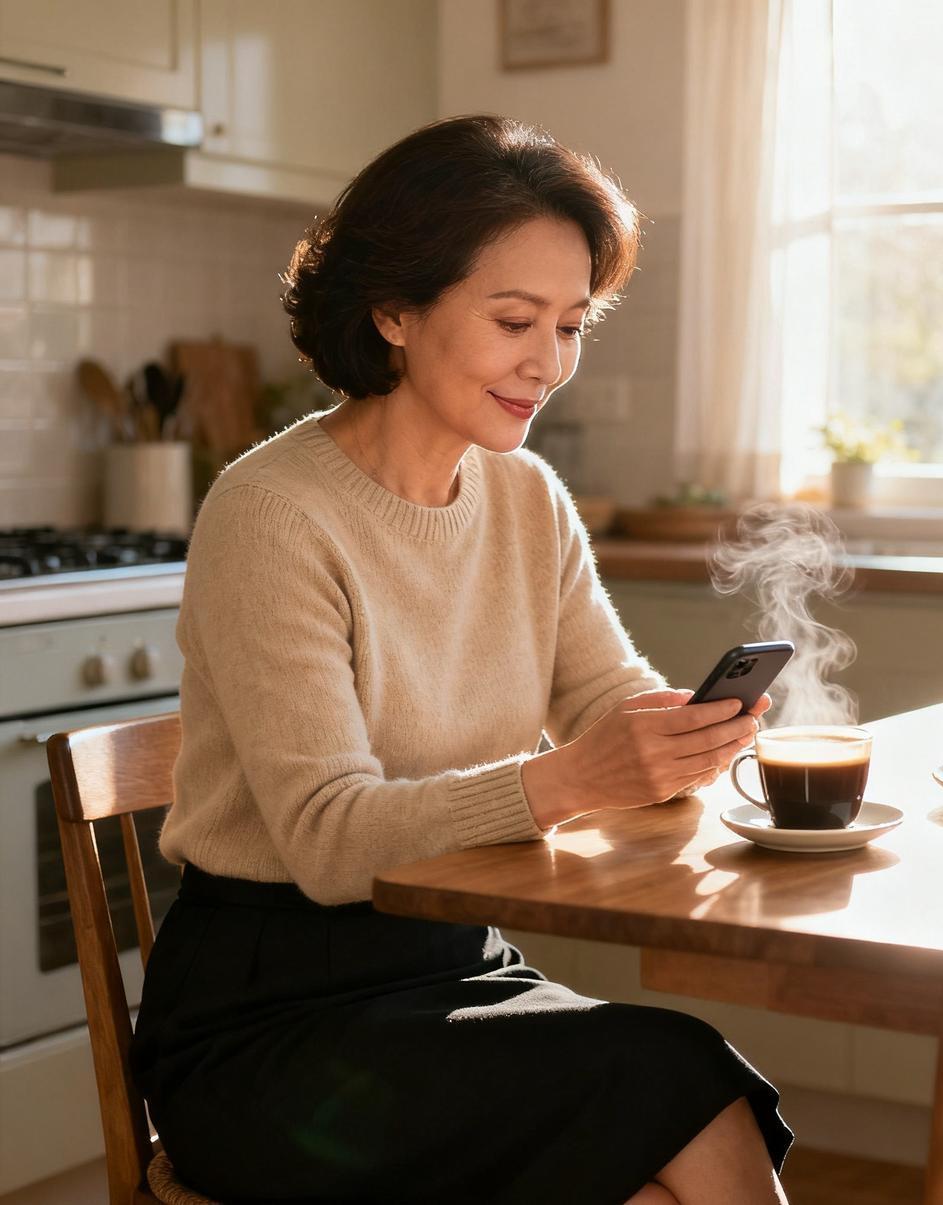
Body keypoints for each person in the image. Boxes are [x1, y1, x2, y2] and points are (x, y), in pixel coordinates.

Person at [132, 114, 793, 1205]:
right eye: (513, 319)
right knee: (675, 1073)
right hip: (267, 1026)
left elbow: (602, 691)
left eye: (571, 324)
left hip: (448, 970)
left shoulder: (524, 496)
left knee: (656, 1154)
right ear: (393, 309)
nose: (548, 363)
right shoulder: (271, 512)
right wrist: (579, 775)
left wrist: (678, 729)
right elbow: (330, 838)